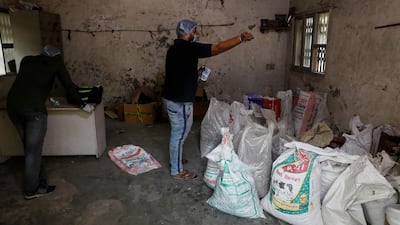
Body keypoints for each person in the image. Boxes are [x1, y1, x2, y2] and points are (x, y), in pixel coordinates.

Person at [162, 19, 254, 180]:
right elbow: (217, 48)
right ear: (188, 32)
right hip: (179, 102)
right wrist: (240, 38)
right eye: (194, 31)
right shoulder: (188, 48)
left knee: (180, 133)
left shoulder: (174, 49)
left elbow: (178, 72)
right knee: (179, 134)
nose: (196, 34)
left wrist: (196, 73)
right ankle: (177, 170)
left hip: (172, 98)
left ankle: (175, 160)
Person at [7, 45, 84, 199]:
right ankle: (31, 190)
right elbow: (68, 85)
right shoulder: (56, 63)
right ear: (57, 56)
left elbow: (29, 82)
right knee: (33, 151)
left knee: (30, 149)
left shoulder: (27, 60)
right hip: (34, 110)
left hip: (13, 106)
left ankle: (40, 183)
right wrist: (81, 102)